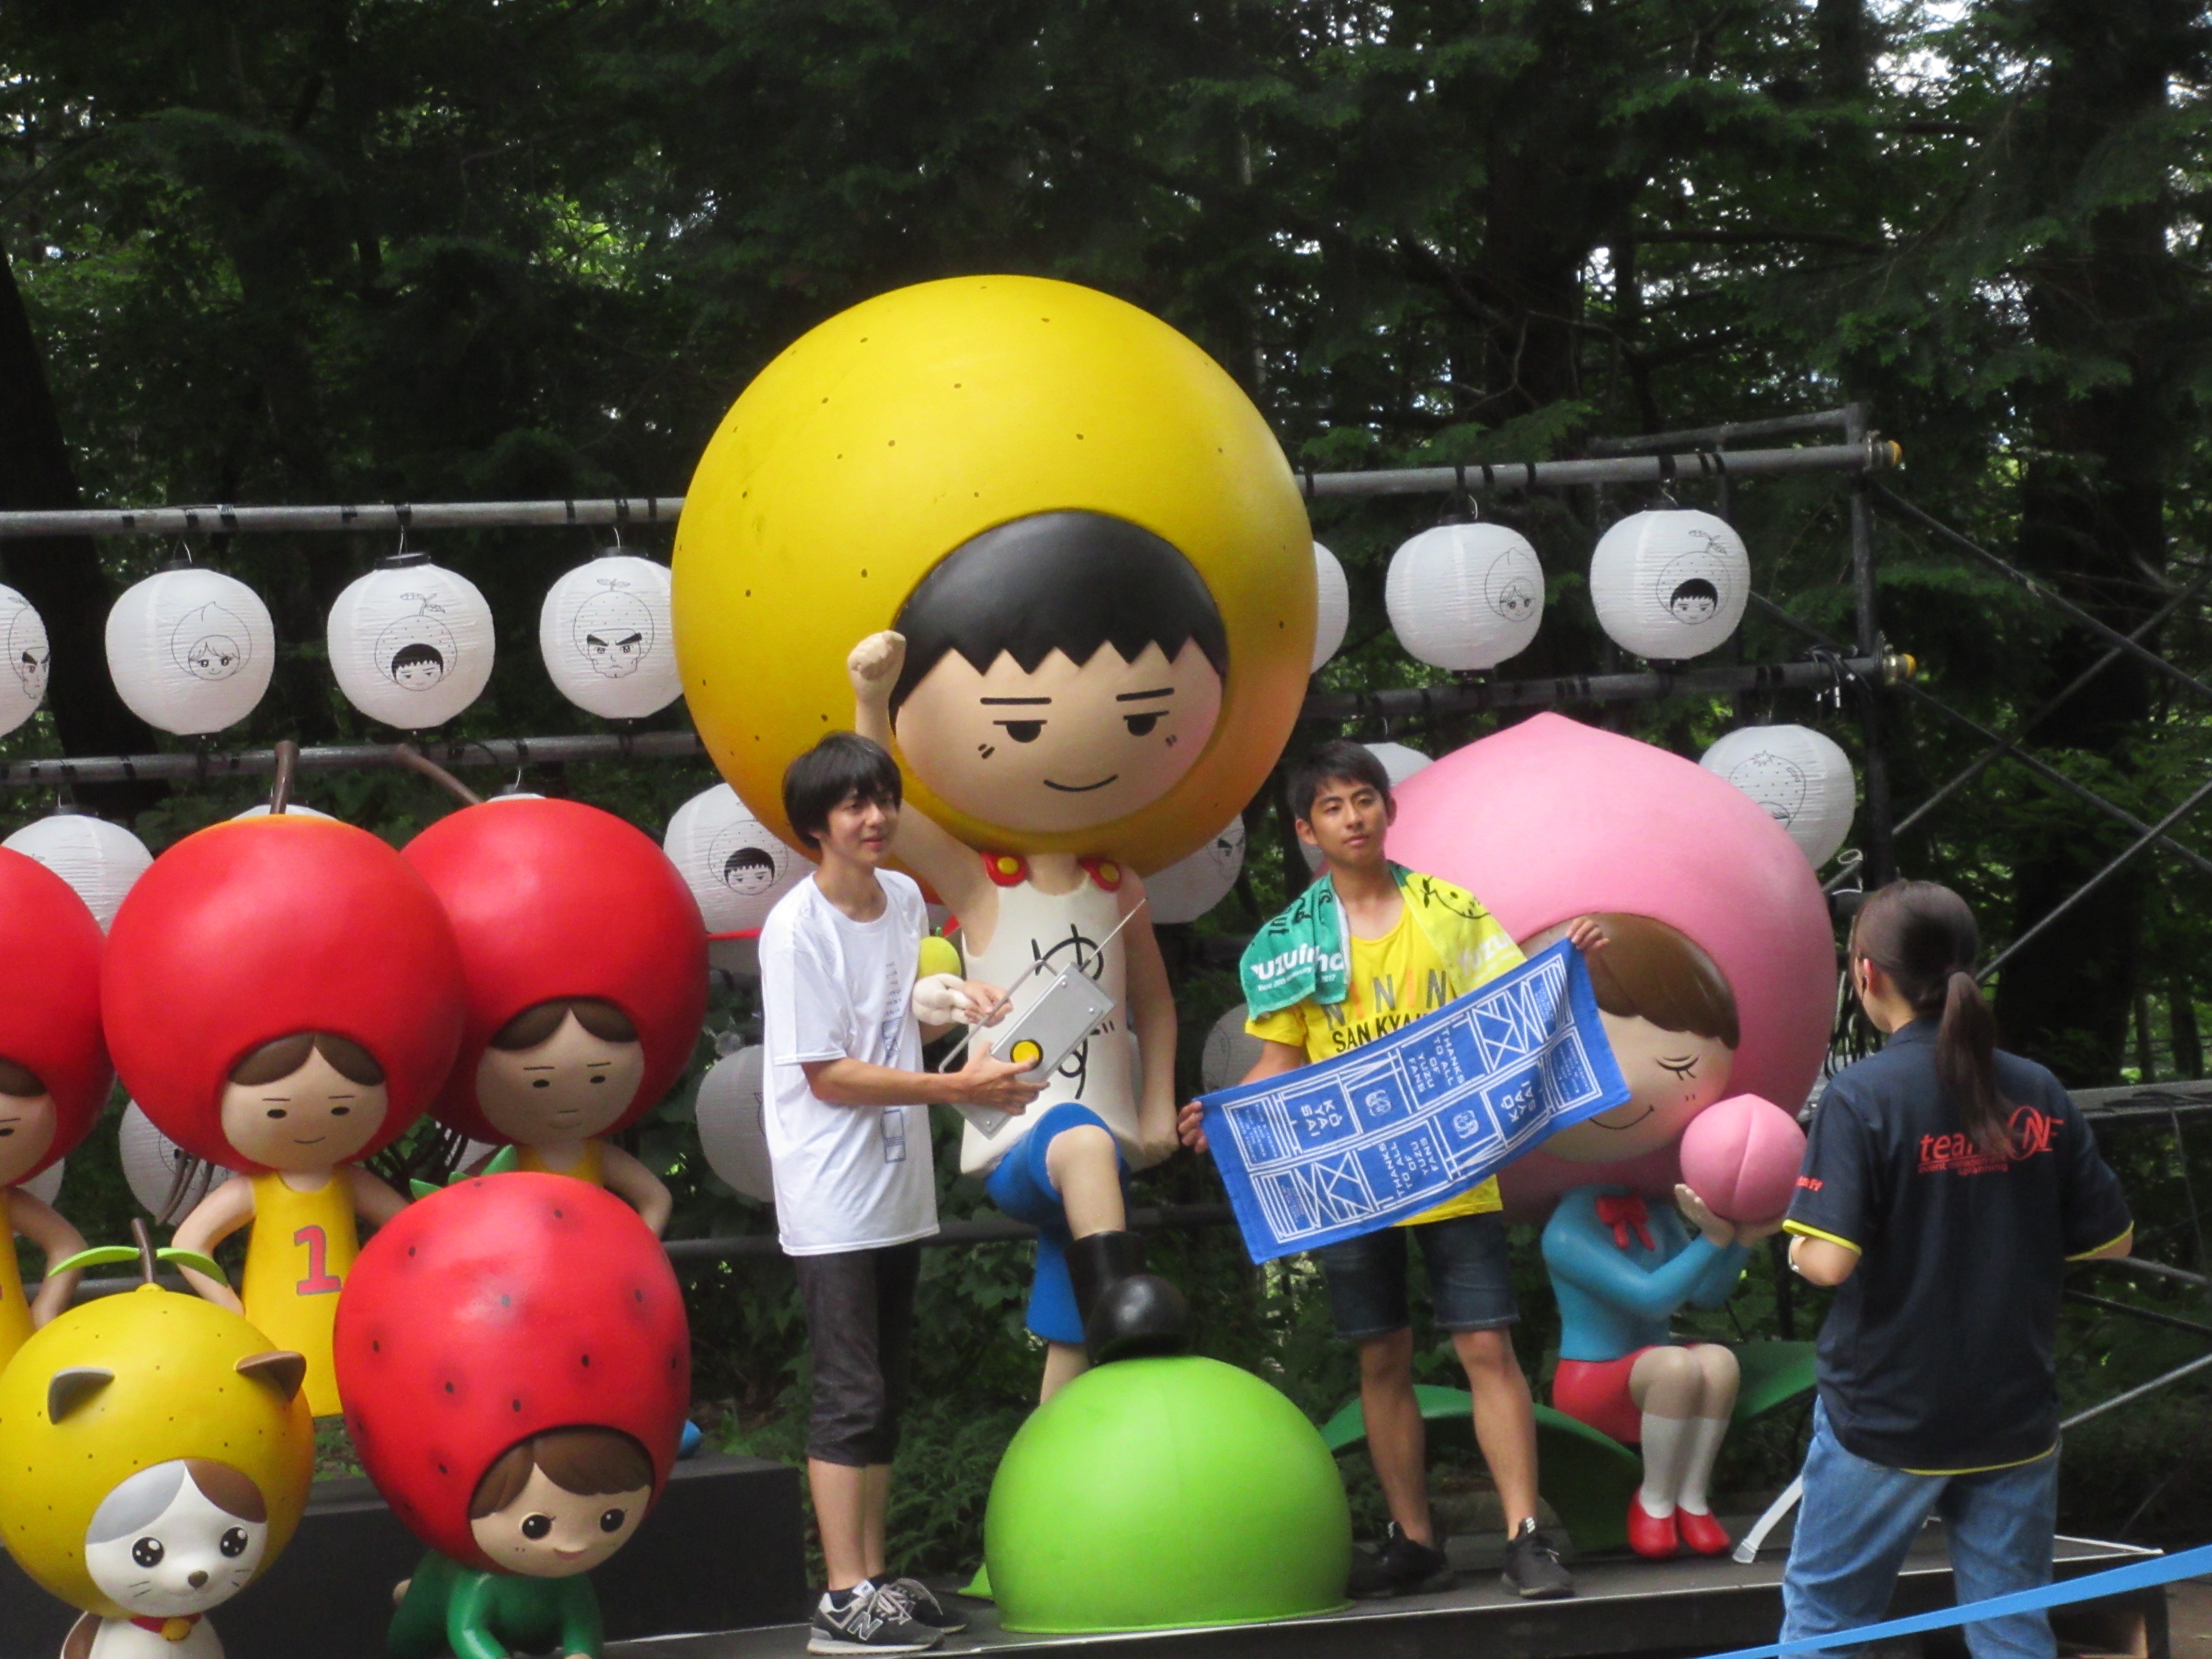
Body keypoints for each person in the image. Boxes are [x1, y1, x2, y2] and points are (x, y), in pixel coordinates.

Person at [1179, 739, 1587, 1601]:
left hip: (1452, 1164)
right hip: (1352, 1176)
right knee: (1381, 1356)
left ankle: (1526, 1536)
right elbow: (1279, 1062)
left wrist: (1568, 964)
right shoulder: (1291, 940)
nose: (1353, 817)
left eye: (1364, 798)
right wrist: (1227, 1118)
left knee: (1485, 1344)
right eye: (1332, 806)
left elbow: (1509, 1009)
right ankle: (1415, 1540)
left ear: (1388, 809)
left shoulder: (1451, 910)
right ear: (1306, 830)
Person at [847, 512, 1212, 1399]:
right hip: (1017, 1130)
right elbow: (877, 804)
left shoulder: (1120, 883)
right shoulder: (980, 885)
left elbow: (1154, 1006)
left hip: (1116, 1130)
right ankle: (1134, 1316)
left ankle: (1053, 1471)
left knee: (1067, 1331)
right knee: (1077, 1143)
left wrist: (1160, 1104)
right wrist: (869, 698)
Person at [1781, 881, 2134, 1659]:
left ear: (1866, 973)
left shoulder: (1862, 1095)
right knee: (2012, 1629)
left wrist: (1795, 1245)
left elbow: (1830, 1261)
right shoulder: (2037, 1089)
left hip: (1885, 1414)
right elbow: (2110, 1242)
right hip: (2014, 1409)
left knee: (1828, 1624)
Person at [758, 731, 1042, 1655]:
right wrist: (961, 1089)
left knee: (883, 1388)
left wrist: (955, 1000)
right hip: (831, 1186)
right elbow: (830, 1075)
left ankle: (874, 1579)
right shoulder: (794, 928)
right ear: (816, 827)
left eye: (883, 798)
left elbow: (895, 1015)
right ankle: (840, 1597)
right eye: (853, 805)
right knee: (848, 1390)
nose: (875, 817)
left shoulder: (906, 900)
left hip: (894, 1177)